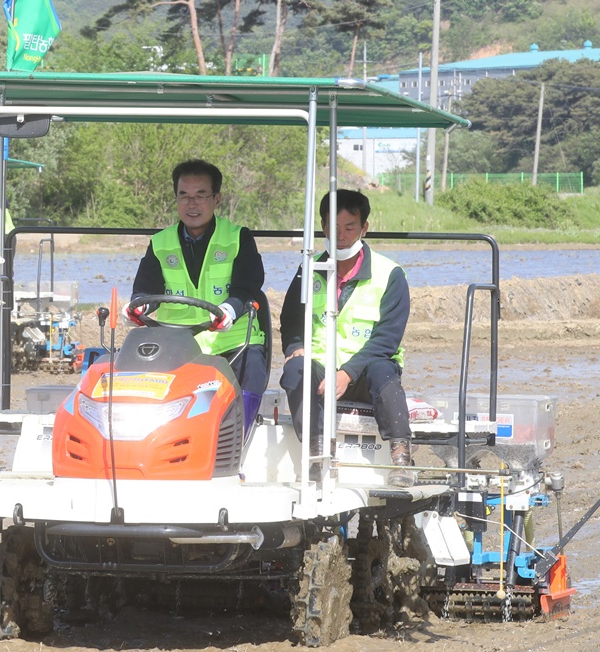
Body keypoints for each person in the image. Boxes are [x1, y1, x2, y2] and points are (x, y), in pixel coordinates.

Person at [279, 189, 416, 487]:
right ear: (323, 226)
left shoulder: (390, 274)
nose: (340, 235)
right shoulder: (309, 267)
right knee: (294, 371)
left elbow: (387, 338)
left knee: (384, 370)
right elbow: (290, 320)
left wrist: (347, 373)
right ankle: (317, 455)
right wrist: (295, 347)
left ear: (364, 228)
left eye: (349, 228)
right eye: (333, 227)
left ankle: (401, 455)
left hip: (367, 371)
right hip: (320, 370)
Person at [127, 159, 268, 420]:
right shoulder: (160, 243)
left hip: (233, 343)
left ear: (216, 199)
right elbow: (145, 289)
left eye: (201, 196)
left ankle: (238, 443)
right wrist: (139, 305)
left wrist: (230, 309)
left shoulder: (239, 238)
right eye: (184, 196)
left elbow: (247, 286)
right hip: (176, 345)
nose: (192, 204)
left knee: (253, 370)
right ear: (176, 199)